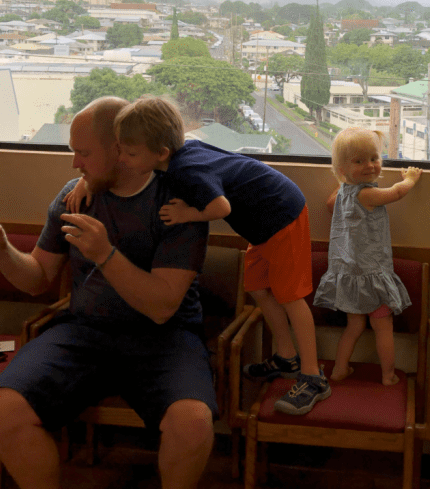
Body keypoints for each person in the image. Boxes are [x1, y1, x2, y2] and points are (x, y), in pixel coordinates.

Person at [0, 96, 215, 489]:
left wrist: (104, 254)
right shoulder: (73, 198)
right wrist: (2, 252)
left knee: (193, 422)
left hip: (163, 337)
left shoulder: (179, 204)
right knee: (4, 408)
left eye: (83, 153)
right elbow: (39, 278)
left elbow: (162, 306)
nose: (74, 164)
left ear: (120, 148)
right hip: (86, 333)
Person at [98, 95, 329, 416]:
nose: (122, 158)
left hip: (282, 213)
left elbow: (221, 207)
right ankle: (286, 357)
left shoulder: (185, 171)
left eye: (131, 153)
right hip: (262, 225)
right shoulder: (178, 155)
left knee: (292, 297)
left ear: (161, 153)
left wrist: (186, 214)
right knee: (259, 288)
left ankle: (313, 375)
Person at [313, 128, 420, 385]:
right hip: (372, 275)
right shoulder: (366, 194)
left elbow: (330, 205)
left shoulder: (342, 194)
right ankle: (388, 375)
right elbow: (395, 193)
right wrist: (411, 179)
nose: (370, 165)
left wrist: (345, 182)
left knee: (354, 327)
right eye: (359, 161)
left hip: (349, 274)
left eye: (374, 157)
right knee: (383, 327)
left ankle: (339, 369)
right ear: (341, 168)